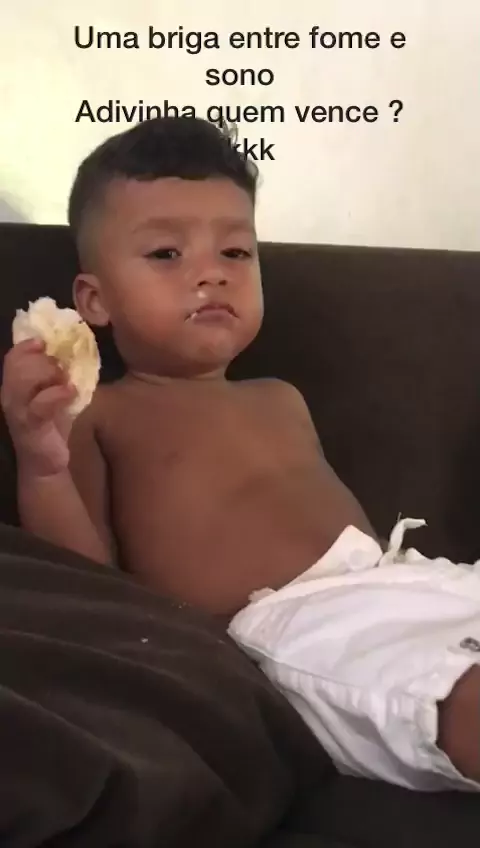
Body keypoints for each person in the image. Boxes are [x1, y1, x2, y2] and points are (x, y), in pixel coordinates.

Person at [1, 117, 479, 793]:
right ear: (95, 301)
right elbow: (88, 581)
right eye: (167, 253)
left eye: (235, 252)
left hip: (411, 579)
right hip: (298, 629)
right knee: (455, 696)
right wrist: (42, 462)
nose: (211, 274)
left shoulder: (280, 397)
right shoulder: (98, 414)